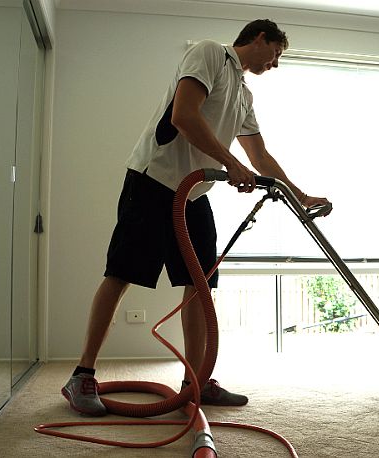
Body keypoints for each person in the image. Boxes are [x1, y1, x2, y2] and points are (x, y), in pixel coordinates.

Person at [61, 19, 332, 416]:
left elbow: (259, 157)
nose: (275, 64)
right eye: (275, 53)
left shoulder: (244, 95)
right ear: (260, 38)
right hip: (155, 180)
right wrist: (230, 164)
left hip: (194, 194)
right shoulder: (210, 53)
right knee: (121, 274)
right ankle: (82, 376)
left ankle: (196, 380)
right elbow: (183, 116)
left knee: (200, 285)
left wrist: (299, 193)